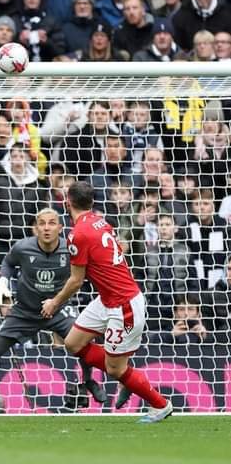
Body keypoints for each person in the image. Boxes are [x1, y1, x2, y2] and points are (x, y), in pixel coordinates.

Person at [41, 180, 172, 423]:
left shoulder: (77, 234)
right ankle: (127, 377)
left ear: (66, 202)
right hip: (107, 299)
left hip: (124, 306)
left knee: (115, 369)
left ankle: (159, 404)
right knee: (72, 343)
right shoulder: (101, 221)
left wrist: (54, 303)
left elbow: (76, 281)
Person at [0, 208, 107, 408]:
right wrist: (3, 283)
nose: (47, 228)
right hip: (25, 312)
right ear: (35, 228)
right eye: (42, 223)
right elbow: (8, 263)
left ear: (60, 227)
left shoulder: (70, 249)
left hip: (59, 310)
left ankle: (86, 383)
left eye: (51, 223)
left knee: (84, 342)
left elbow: (85, 272)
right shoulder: (23, 248)